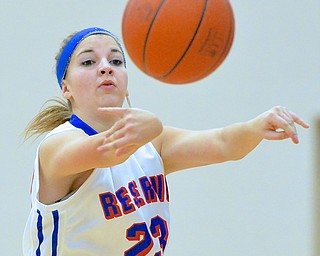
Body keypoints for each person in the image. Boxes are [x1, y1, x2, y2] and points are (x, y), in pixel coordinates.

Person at [22, 27, 309, 256]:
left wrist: (257, 125)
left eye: (116, 60)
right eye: (88, 61)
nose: (106, 67)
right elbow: (109, 152)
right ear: (66, 87)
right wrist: (151, 125)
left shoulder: (151, 144)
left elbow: (223, 144)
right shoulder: (56, 145)